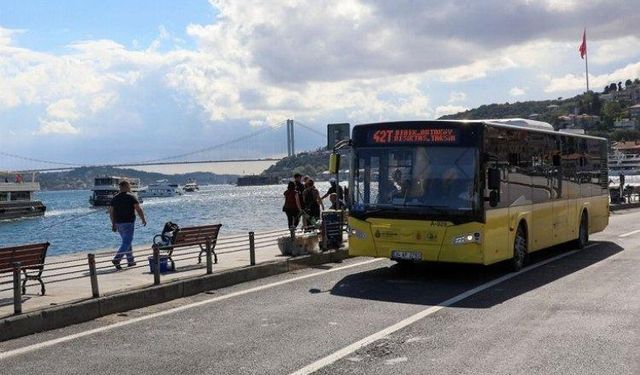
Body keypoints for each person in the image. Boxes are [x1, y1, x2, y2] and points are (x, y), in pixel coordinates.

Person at [109, 180, 146, 269]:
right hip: (128, 223)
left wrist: (113, 224)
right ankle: (117, 259)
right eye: (128, 186)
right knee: (127, 242)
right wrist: (143, 219)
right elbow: (138, 209)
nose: (130, 187)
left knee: (126, 242)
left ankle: (130, 261)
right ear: (125, 187)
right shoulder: (131, 197)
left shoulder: (115, 198)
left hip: (118, 223)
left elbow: (111, 212)